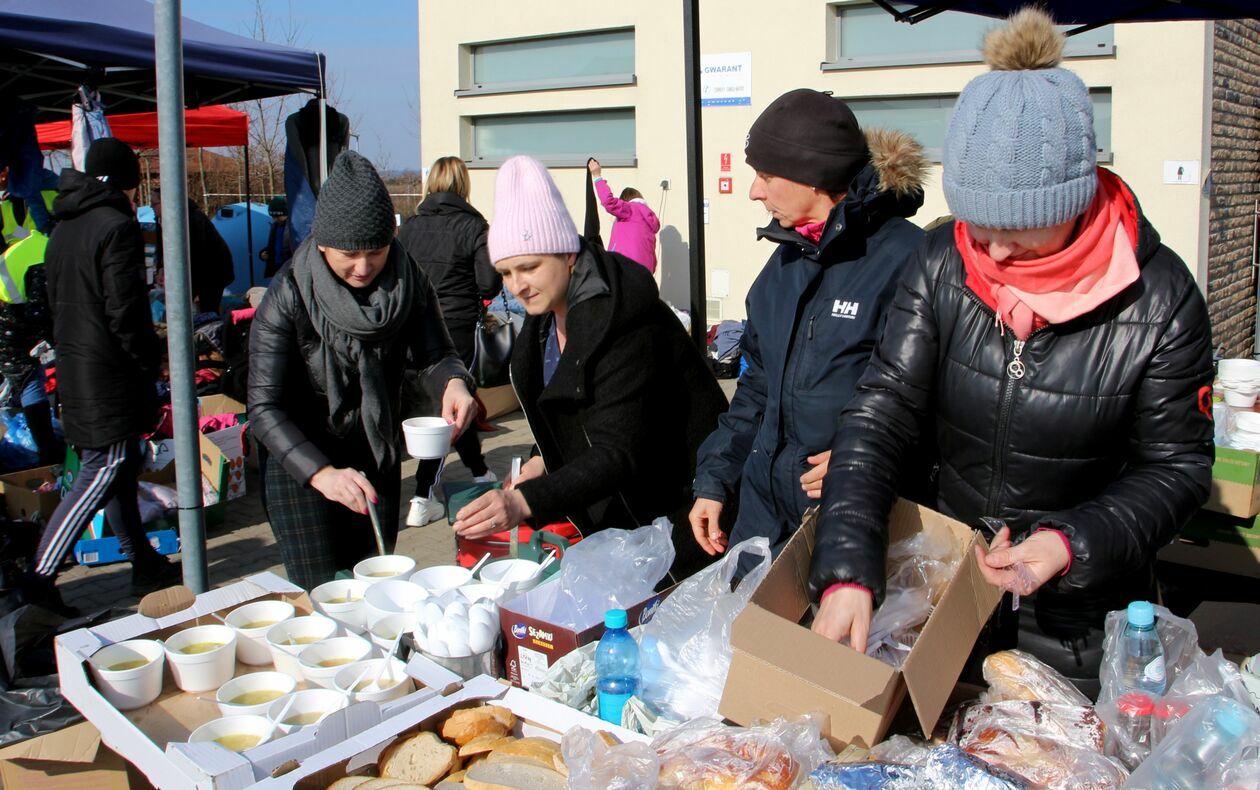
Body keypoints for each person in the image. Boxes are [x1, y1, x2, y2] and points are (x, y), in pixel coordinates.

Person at [808, 9, 1214, 696]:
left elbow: (1175, 470)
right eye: (979, 226)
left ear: (1076, 200)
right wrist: (848, 567)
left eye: (1018, 231)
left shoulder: (1160, 298)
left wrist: (1068, 543)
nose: (992, 254)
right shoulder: (941, 262)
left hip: (1081, 626)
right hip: (947, 592)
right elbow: (881, 413)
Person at [451, 156, 727, 577]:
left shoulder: (623, 317)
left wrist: (526, 501)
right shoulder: (546, 316)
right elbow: (568, 408)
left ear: (567, 254)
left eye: (528, 267)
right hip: (627, 518)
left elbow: (620, 448)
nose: (517, 285)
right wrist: (543, 458)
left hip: (684, 510)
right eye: (505, 272)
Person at [689, 89, 928, 571]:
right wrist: (715, 480)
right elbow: (756, 388)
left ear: (813, 177)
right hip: (761, 517)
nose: (754, 191)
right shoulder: (785, 262)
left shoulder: (911, 261)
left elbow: (938, 405)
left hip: (849, 525)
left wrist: (865, 459)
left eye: (765, 176)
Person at [249, 151, 477, 591]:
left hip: (375, 453)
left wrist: (454, 382)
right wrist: (321, 474)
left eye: (376, 251)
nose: (363, 267)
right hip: (303, 466)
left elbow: (436, 352)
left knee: (375, 584)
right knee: (326, 595)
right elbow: (263, 407)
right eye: (348, 254)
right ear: (321, 244)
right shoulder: (289, 293)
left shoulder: (408, 279)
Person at [25, 138, 177, 613]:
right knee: (104, 468)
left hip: (75, 364)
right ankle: (41, 576)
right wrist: (149, 359)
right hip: (105, 371)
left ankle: (143, 561)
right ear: (128, 183)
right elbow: (125, 310)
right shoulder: (116, 227)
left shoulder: (64, 228)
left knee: (121, 467)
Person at [397, 156, 501, 527]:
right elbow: (489, 283)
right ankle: (423, 496)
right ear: (463, 184)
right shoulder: (474, 227)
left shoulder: (409, 227)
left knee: (454, 405)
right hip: (455, 327)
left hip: (411, 326)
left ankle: (479, 471)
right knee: (447, 412)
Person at [0, 227, 61, 466]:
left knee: (27, 383)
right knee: (29, 384)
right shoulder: (46, 255)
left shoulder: (34, 245)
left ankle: (47, 449)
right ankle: (48, 452)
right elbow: (38, 311)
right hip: (10, 324)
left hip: (10, 319)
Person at [153, 188, 235, 313]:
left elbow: (197, 254)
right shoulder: (161, 220)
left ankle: (210, 330)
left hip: (212, 271)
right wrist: (161, 268)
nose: (152, 207)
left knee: (207, 310)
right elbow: (163, 247)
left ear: (166, 202)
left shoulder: (192, 217)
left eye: (154, 204)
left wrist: (194, 289)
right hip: (197, 272)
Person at [586, 159, 660, 274]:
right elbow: (652, 256)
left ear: (625, 200)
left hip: (625, 270)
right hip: (645, 274)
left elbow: (608, 202)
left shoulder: (630, 209)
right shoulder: (649, 221)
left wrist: (597, 175)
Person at [260, 196, 293, 278]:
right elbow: (273, 246)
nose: (275, 219)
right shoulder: (275, 227)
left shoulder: (293, 228)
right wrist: (263, 253)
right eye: (273, 217)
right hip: (276, 268)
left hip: (288, 268)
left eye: (278, 217)